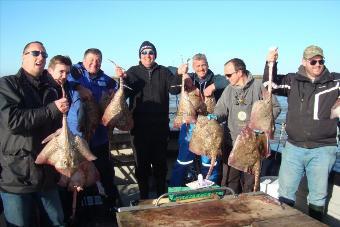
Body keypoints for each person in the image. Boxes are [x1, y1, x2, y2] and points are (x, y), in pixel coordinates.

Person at [263, 45, 339, 221]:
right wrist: (270, 62)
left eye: (321, 61)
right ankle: (284, 223)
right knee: (286, 192)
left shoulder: (335, 82)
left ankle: (315, 222)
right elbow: (269, 85)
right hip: (293, 147)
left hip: (323, 149)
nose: (317, 64)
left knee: (318, 196)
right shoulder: (292, 80)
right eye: (313, 61)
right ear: (304, 62)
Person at [0, 41, 68, 226]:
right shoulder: (7, 84)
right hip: (16, 175)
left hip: (47, 174)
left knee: (57, 223)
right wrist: (51, 110)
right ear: (23, 56)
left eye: (44, 55)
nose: (41, 57)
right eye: (35, 53)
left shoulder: (51, 89)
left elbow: (56, 131)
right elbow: (12, 121)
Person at [115, 41, 182, 199]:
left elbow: (175, 89)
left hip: (160, 128)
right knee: (141, 166)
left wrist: (179, 73)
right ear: (140, 56)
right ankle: (144, 197)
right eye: (144, 53)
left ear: (155, 55)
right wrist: (122, 79)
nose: (147, 56)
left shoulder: (164, 71)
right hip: (139, 128)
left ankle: (161, 196)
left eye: (150, 52)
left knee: (160, 166)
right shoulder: (132, 72)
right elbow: (124, 95)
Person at [214, 58, 281, 194]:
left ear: (239, 72)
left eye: (229, 75)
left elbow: (275, 107)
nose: (227, 78)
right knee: (229, 182)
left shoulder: (259, 87)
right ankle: (229, 209)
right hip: (232, 142)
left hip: (255, 144)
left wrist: (262, 124)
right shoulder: (228, 90)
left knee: (250, 182)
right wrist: (214, 116)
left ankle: (249, 208)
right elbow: (221, 109)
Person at [67, 48, 118, 212]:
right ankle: (75, 210)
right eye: (91, 59)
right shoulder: (74, 72)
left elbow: (118, 89)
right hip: (77, 138)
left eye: (98, 61)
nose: (94, 63)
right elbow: (63, 79)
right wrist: (79, 88)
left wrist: (117, 89)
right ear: (83, 60)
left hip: (99, 137)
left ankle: (112, 205)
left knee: (106, 174)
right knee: (76, 176)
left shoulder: (106, 79)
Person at [169, 53, 228, 186]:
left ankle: (210, 186)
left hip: (210, 126)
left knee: (209, 160)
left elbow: (228, 80)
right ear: (193, 67)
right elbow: (172, 87)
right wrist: (182, 75)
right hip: (190, 125)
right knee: (184, 159)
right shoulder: (190, 78)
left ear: (207, 65)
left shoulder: (215, 79)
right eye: (198, 66)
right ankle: (175, 187)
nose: (201, 69)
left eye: (203, 65)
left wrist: (212, 87)